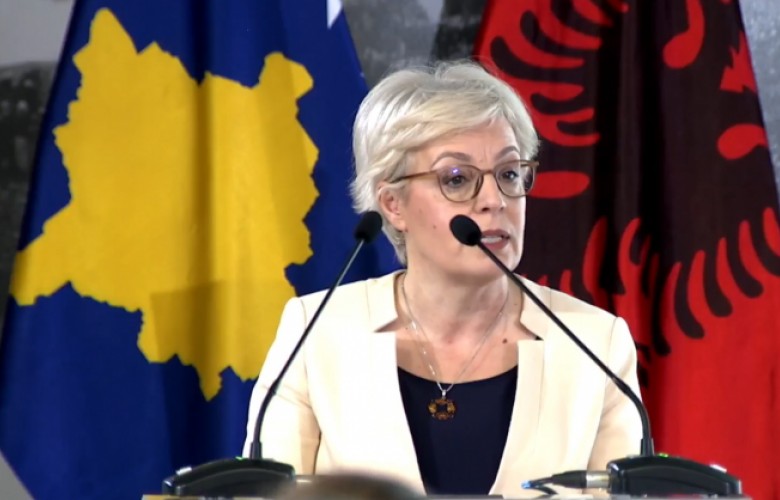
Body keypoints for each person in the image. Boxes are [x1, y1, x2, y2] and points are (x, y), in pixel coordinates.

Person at [243, 60, 641, 498]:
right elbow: (266, 496)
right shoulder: (316, 332)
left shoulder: (595, 344)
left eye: (509, 173)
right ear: (393, 204)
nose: (494, 200)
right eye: (457, 179)